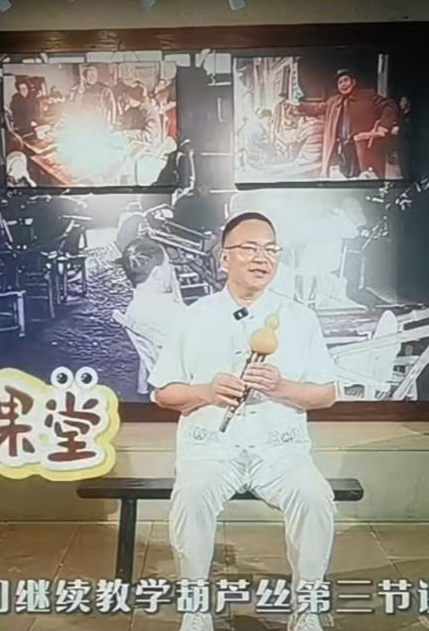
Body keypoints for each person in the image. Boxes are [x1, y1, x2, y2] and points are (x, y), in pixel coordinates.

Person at [148, 212, 339, 631]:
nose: (261, 257)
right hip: (210, 448)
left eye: (270, 249)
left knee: (315, 498)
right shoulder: (193, 317)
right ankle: (195, 610)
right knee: (190, 498)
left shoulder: (300, 318)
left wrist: (282, 387)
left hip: (281, 450)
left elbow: (326, 394)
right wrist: (206, 392)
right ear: (224, 259)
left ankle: (306, 611)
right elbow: (163, 393)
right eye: (249, 248)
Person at [291, 69, 400, 180]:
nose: (343, 84)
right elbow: (318, 107)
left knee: (365, 178)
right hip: (342, 149)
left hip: (362, 148)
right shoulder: (334, 101)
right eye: (340, 82)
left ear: (353, 82)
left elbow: (390, 105)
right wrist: (298, 106)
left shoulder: (368, 97)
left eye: (345, 80)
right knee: (346, 177)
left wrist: (383, 127)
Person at [120, 237, 187, 347]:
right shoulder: (172, 313)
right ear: (157, 273)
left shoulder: (134, 308)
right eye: (168, 264)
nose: (172, 269)